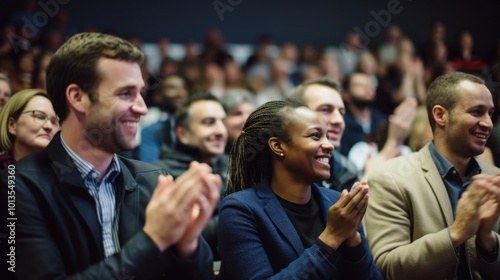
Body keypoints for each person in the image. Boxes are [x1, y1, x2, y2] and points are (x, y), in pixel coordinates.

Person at [0, 32, 220, 280]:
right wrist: (154, 239)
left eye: (140, 93)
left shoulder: (154, 180)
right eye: (126, 93)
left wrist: (189, 245)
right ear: (77, 97)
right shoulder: (15, 187)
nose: (142, 108)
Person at [218, 98, 383, 279]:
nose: (329, 145)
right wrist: (331, 238)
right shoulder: (240, 209)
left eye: (327, 136)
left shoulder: (338, 202)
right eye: (315, 136)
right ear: (278, 146)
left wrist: (354, 244)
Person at [365, 72, 500, 279]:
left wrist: (487, 240)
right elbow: (386, 268)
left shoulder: (494, 178)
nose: (488, 123)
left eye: (490, 114)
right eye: (477, 112)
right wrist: (455, 233)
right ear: (440, 115)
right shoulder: (390, 178)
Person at [154, 91, 228, 261]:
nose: (221, 131)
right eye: (209, 123)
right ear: (183, 134)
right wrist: (240, 214)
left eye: (222, 121)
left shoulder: (229, 162)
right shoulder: (162, 175)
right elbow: (185, 235)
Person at [289, 77, 359, 191]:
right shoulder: (278, 170)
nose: (339, 120)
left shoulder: (347, 168)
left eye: (341, 113)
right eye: (326, 110)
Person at [0, 89, 58, 169]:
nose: (49, 126)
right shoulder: (4, 172)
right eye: (40, 117)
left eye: (53, 122)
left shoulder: (63, 174)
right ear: (12, 125)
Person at [138, 74, 188, 163]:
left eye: (183, 88)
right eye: (172, 88)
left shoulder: (196, 126)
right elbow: (150, 167)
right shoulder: (152, 131)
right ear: (158, 96)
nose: (180, 93)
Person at [340, 72, 387, 156]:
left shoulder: (382, 121)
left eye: (369, 85)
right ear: (346, 94)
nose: (368, 89)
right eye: (360, 85)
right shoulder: (341, 124)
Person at [219, 89, 255, 155]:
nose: (246, 119)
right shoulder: (213, 158)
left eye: (251, 114)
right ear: (222, 119)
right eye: (237, 114)